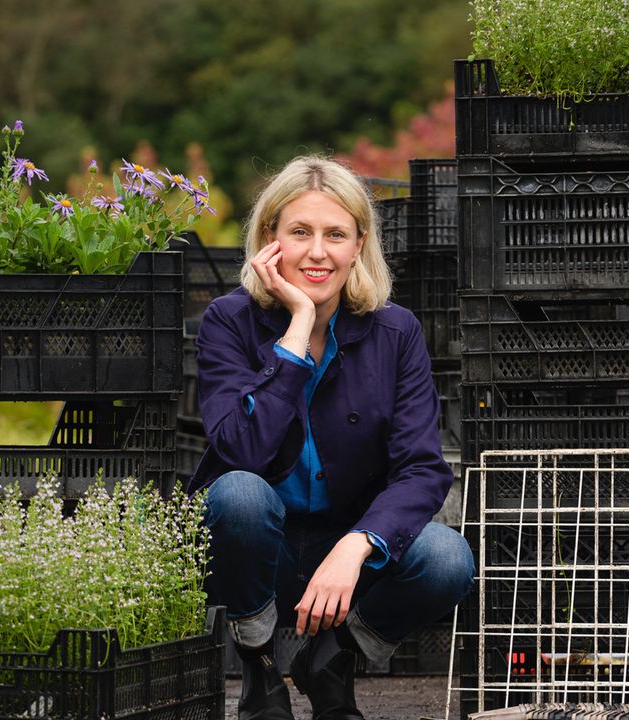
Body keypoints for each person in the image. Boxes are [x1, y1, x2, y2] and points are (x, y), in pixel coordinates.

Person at [186, 155, 475, 720]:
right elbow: (240, 449)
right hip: (258, 553)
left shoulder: (397, 331)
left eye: (336, 234)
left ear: (359, 244)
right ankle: (259, 663)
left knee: (448, 558)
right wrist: (296, 330)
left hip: (346, 557)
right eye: (300, 232)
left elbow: (422, 468)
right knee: (238, 493)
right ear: (270, 238)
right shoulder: (228, 321)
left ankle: (332, 660)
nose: (318, 252)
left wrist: (359, 542)